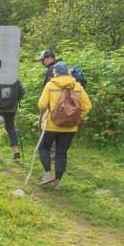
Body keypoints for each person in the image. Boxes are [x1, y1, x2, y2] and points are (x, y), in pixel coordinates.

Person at [37, 62, 91, 190]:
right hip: (70, 127)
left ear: (55, 73)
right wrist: (76, 116)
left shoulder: (50, 85)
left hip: (51, 124)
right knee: (62, 153)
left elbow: (42, 105)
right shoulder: (77, 85)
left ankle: (47, 174)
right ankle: (57, 183)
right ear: (68, 72)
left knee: (44, 148)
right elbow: (88, 106)